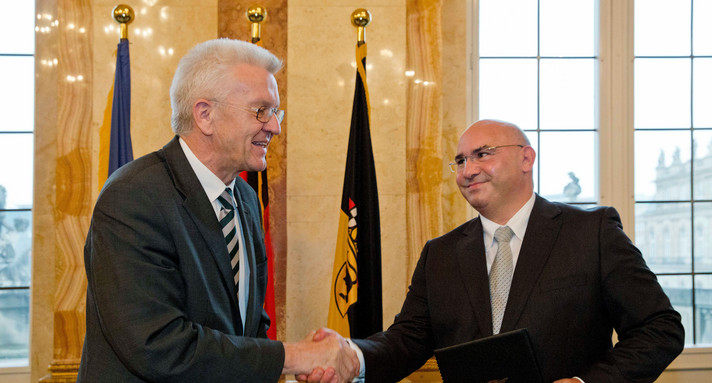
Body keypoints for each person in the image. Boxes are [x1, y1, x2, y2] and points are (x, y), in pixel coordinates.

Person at [78, 39, 358, 383]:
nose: (275, 127)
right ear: (205, 115)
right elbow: (159, 346)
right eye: (261, 111)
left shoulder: (245, 199)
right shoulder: (133, 198)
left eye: (275, 112)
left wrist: (298, 366)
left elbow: (249, 326)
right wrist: (294, 356)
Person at [323, 119, 685, 382]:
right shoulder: (441, 254)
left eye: (482, 154)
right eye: (461, 160)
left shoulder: (591, 232)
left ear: (526, 159)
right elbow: (406, 341)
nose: (468, 170)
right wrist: (353, 356)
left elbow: (660, 327)